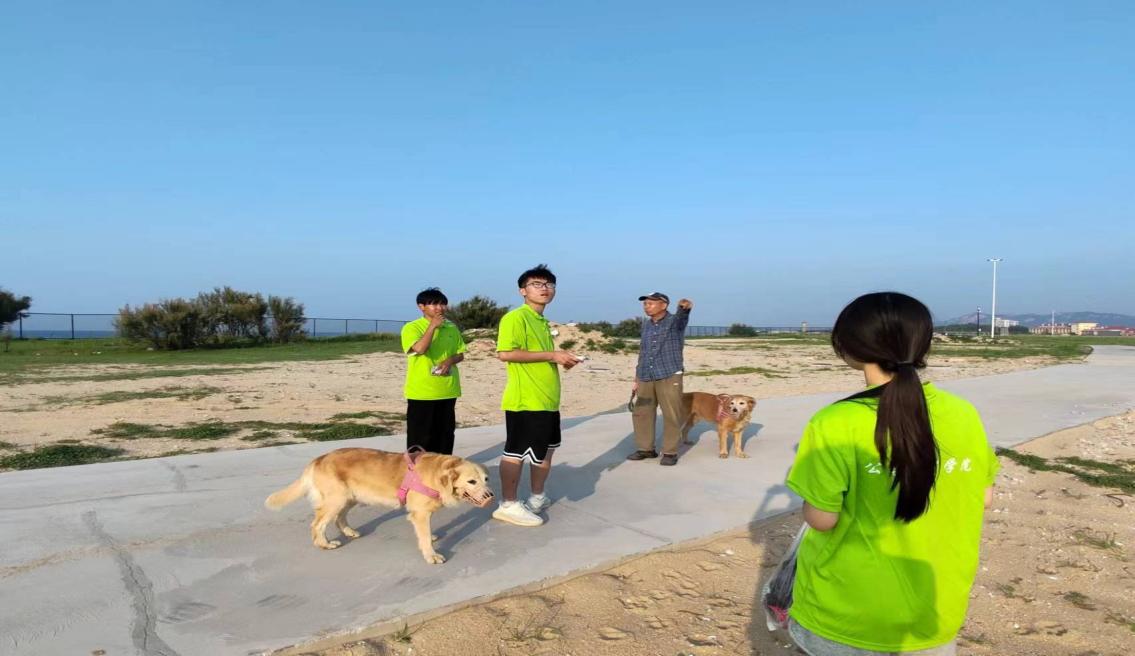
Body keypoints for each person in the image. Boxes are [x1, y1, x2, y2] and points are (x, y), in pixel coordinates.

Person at [785, 292, 998, 655]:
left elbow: (822, 519)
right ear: (923, 345)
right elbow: (984, 497)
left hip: (845, 612)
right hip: (934, 609)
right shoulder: (964, 413)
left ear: (848, 347)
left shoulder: (835, 421)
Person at [492, 264, 583, 527]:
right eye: (536, 284)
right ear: (523, 290)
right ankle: (508, 504)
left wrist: (561, 360)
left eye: (549, 284)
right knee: (516, 452)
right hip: (526, 400)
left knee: (545, 451)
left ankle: (537, 497)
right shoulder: (516, 318)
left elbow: (538, 357)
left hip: (548, 400)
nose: (544, 289)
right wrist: (553, 355)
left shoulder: (541, 321)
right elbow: (505, 353)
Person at [627, 292, 693, 466]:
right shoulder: (646, 325)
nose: (646, 306)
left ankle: (670, 452)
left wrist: (684, 308)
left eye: (651, 303)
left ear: (663, 305)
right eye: (645, 303)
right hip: (646, 375)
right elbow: (643, 352)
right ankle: (645, 449)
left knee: (671, 413)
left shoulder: (675, 322)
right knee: (642, 412)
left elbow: (682, 318)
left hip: (669, 374)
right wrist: (637, 378)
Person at [400, 287, 466, 455]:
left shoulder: (451, 327)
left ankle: (442, 467)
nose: (440, 308)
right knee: (420, 437)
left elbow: (460, 354)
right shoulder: (412, 327)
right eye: (434, 304)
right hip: (422, 392)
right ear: (421, 307)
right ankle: (417, 470)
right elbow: (419, 349)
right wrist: (432, 327)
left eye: (443, 304)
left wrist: (450, 360)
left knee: (445, 436)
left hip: (447, 390)